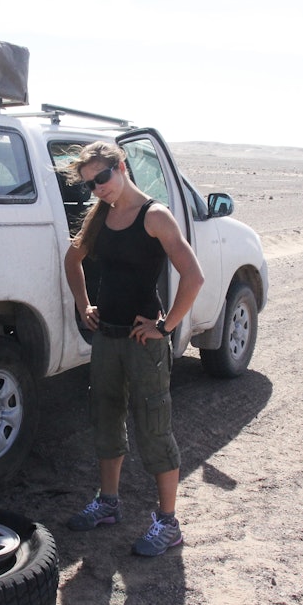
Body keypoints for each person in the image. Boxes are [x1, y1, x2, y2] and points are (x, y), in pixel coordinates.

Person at [62, 141, 204, 556]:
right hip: (107, 337)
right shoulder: (100, 216)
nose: (98, 189)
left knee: (153, 427)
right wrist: (83, 303)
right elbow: (73, 260)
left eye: (102, 178)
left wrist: (166, 325)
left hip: (143, 343)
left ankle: (167, 523)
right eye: (90, 184)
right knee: (105, 419)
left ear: (121, 167)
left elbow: (193, 276)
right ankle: (108, 504)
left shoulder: (155, 216)